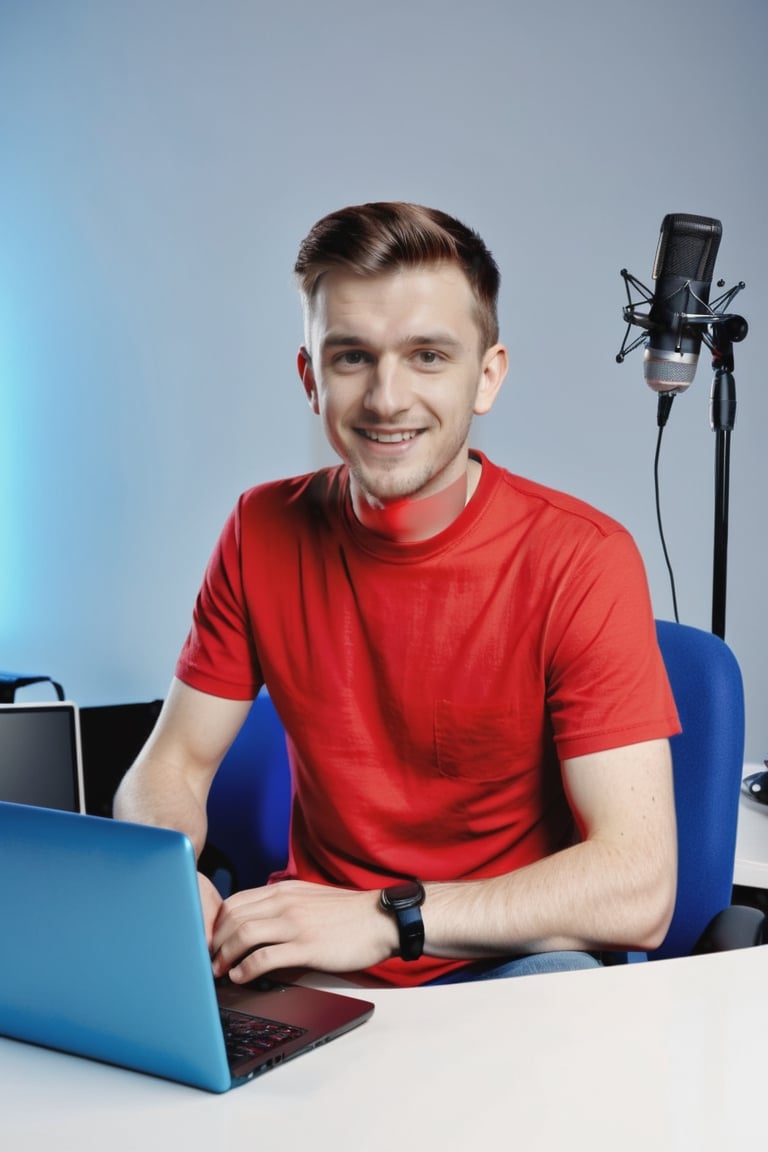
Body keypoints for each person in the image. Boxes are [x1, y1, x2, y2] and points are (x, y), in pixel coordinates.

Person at [114, 201, 680, 989]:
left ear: (486, 377)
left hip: (506, 956)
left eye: (427, 356)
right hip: (318, 952)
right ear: (311, 377)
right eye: (352, 357)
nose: (386, 398)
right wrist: (172, 880)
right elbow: (167, 767)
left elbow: (640, 886)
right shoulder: (258, 529)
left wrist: (385, 918)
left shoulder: (582, 558)